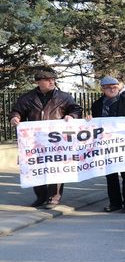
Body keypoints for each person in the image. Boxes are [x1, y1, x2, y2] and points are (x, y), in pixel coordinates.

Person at [9, 67, 83, 208]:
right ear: (38, 82)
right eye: (47, 80)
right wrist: (15, 118)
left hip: (57, 140)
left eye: (53, 79)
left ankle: (53, 197)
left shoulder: (63, 96)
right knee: (35, 168)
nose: (51, 82)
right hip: (35, 140)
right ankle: (41, 196)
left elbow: (76, 109)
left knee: (56, 167)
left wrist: (71, 116)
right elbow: (16, 111)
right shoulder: (27, 98)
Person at [89, 76, 125, 213]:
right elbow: (95, 124)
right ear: (102, 89)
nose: (112, 89)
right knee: (111, 175)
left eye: (114, 86)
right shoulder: (97, 105)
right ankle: (115, 203)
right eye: (108, 87)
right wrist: (88, 121)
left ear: (118, 87)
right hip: (106, 145)